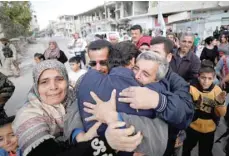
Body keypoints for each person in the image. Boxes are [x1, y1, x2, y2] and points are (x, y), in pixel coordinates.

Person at [12, 60, 116, 156]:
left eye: (59, 79)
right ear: (36, 86)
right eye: (44, 82)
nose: (53, 87)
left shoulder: (76, 99)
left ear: (67, 80)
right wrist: (108, 142)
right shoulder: (28, 116)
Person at [116, 36, 194, 156]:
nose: (150, 56)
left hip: (163, 145)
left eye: (156, 53)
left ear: (168, 57)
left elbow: (186, 114)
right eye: (148, 51)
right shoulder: (133, 73)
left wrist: (158, 101)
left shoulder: (177, 83)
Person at [182, 61, 227, 156]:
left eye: (209, 78)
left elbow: (222, 114)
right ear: (198, 76)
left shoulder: (217, 90)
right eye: (203, 78)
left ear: (214, 78)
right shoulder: (192, 88)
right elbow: (186, 109)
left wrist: (220, 103)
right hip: (192, 127)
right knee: (186, 150)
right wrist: (195, 105)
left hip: (209, 129)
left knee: (205, 152)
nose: (206, 81)